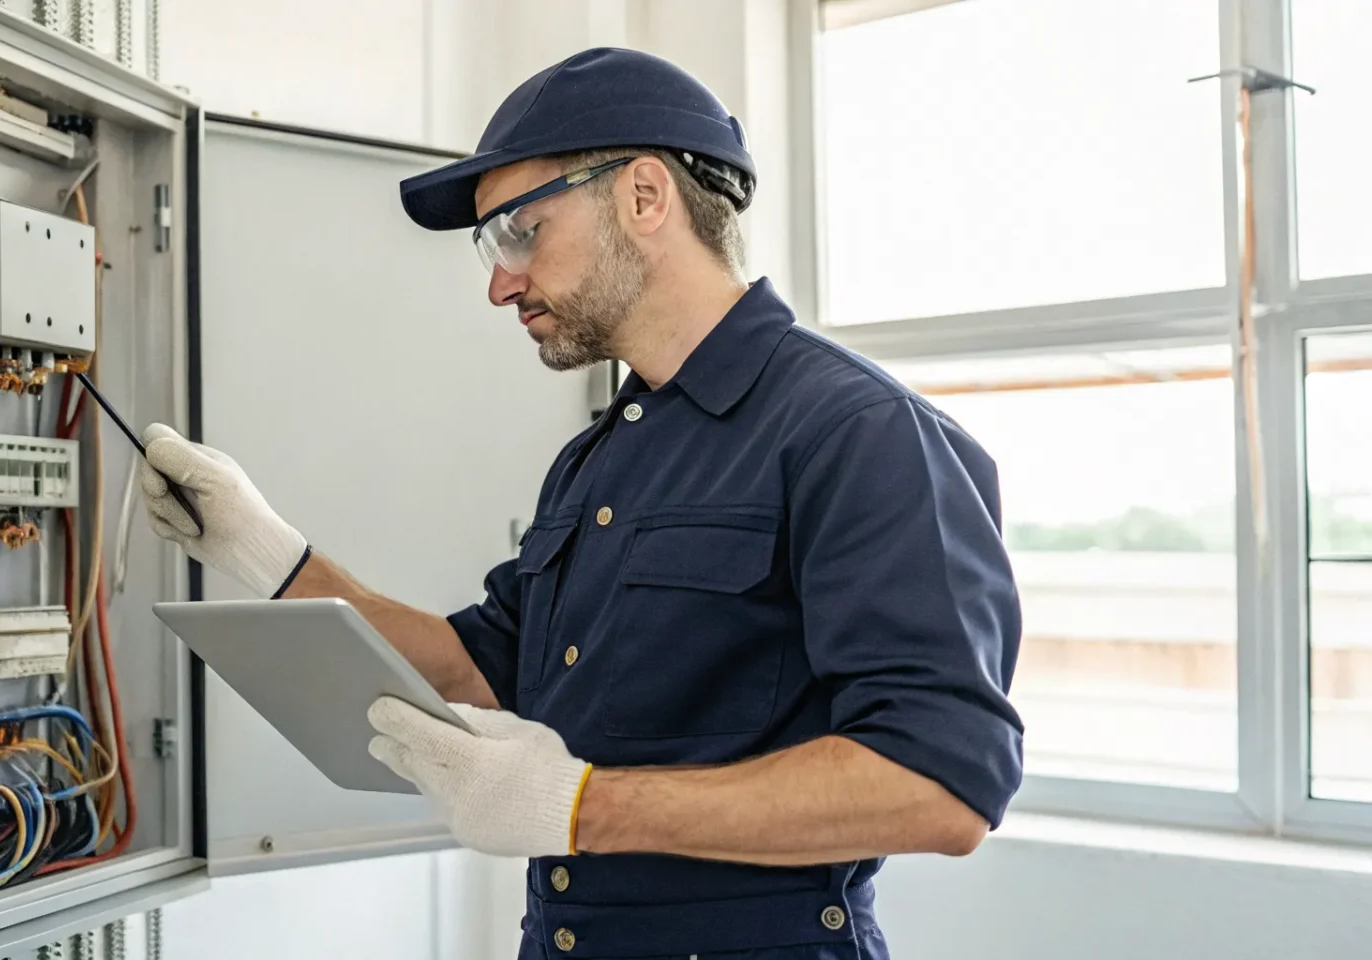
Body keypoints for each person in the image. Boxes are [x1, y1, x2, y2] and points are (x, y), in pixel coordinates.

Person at [135, 47, 1023, 960]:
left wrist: (582, 806)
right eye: (491, 247)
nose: (499, 282)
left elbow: (939, 787)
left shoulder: (859, 432)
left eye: (520, 232)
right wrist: (262, 548)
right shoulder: (599, 460)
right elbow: (474, 672)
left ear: (644, 197)